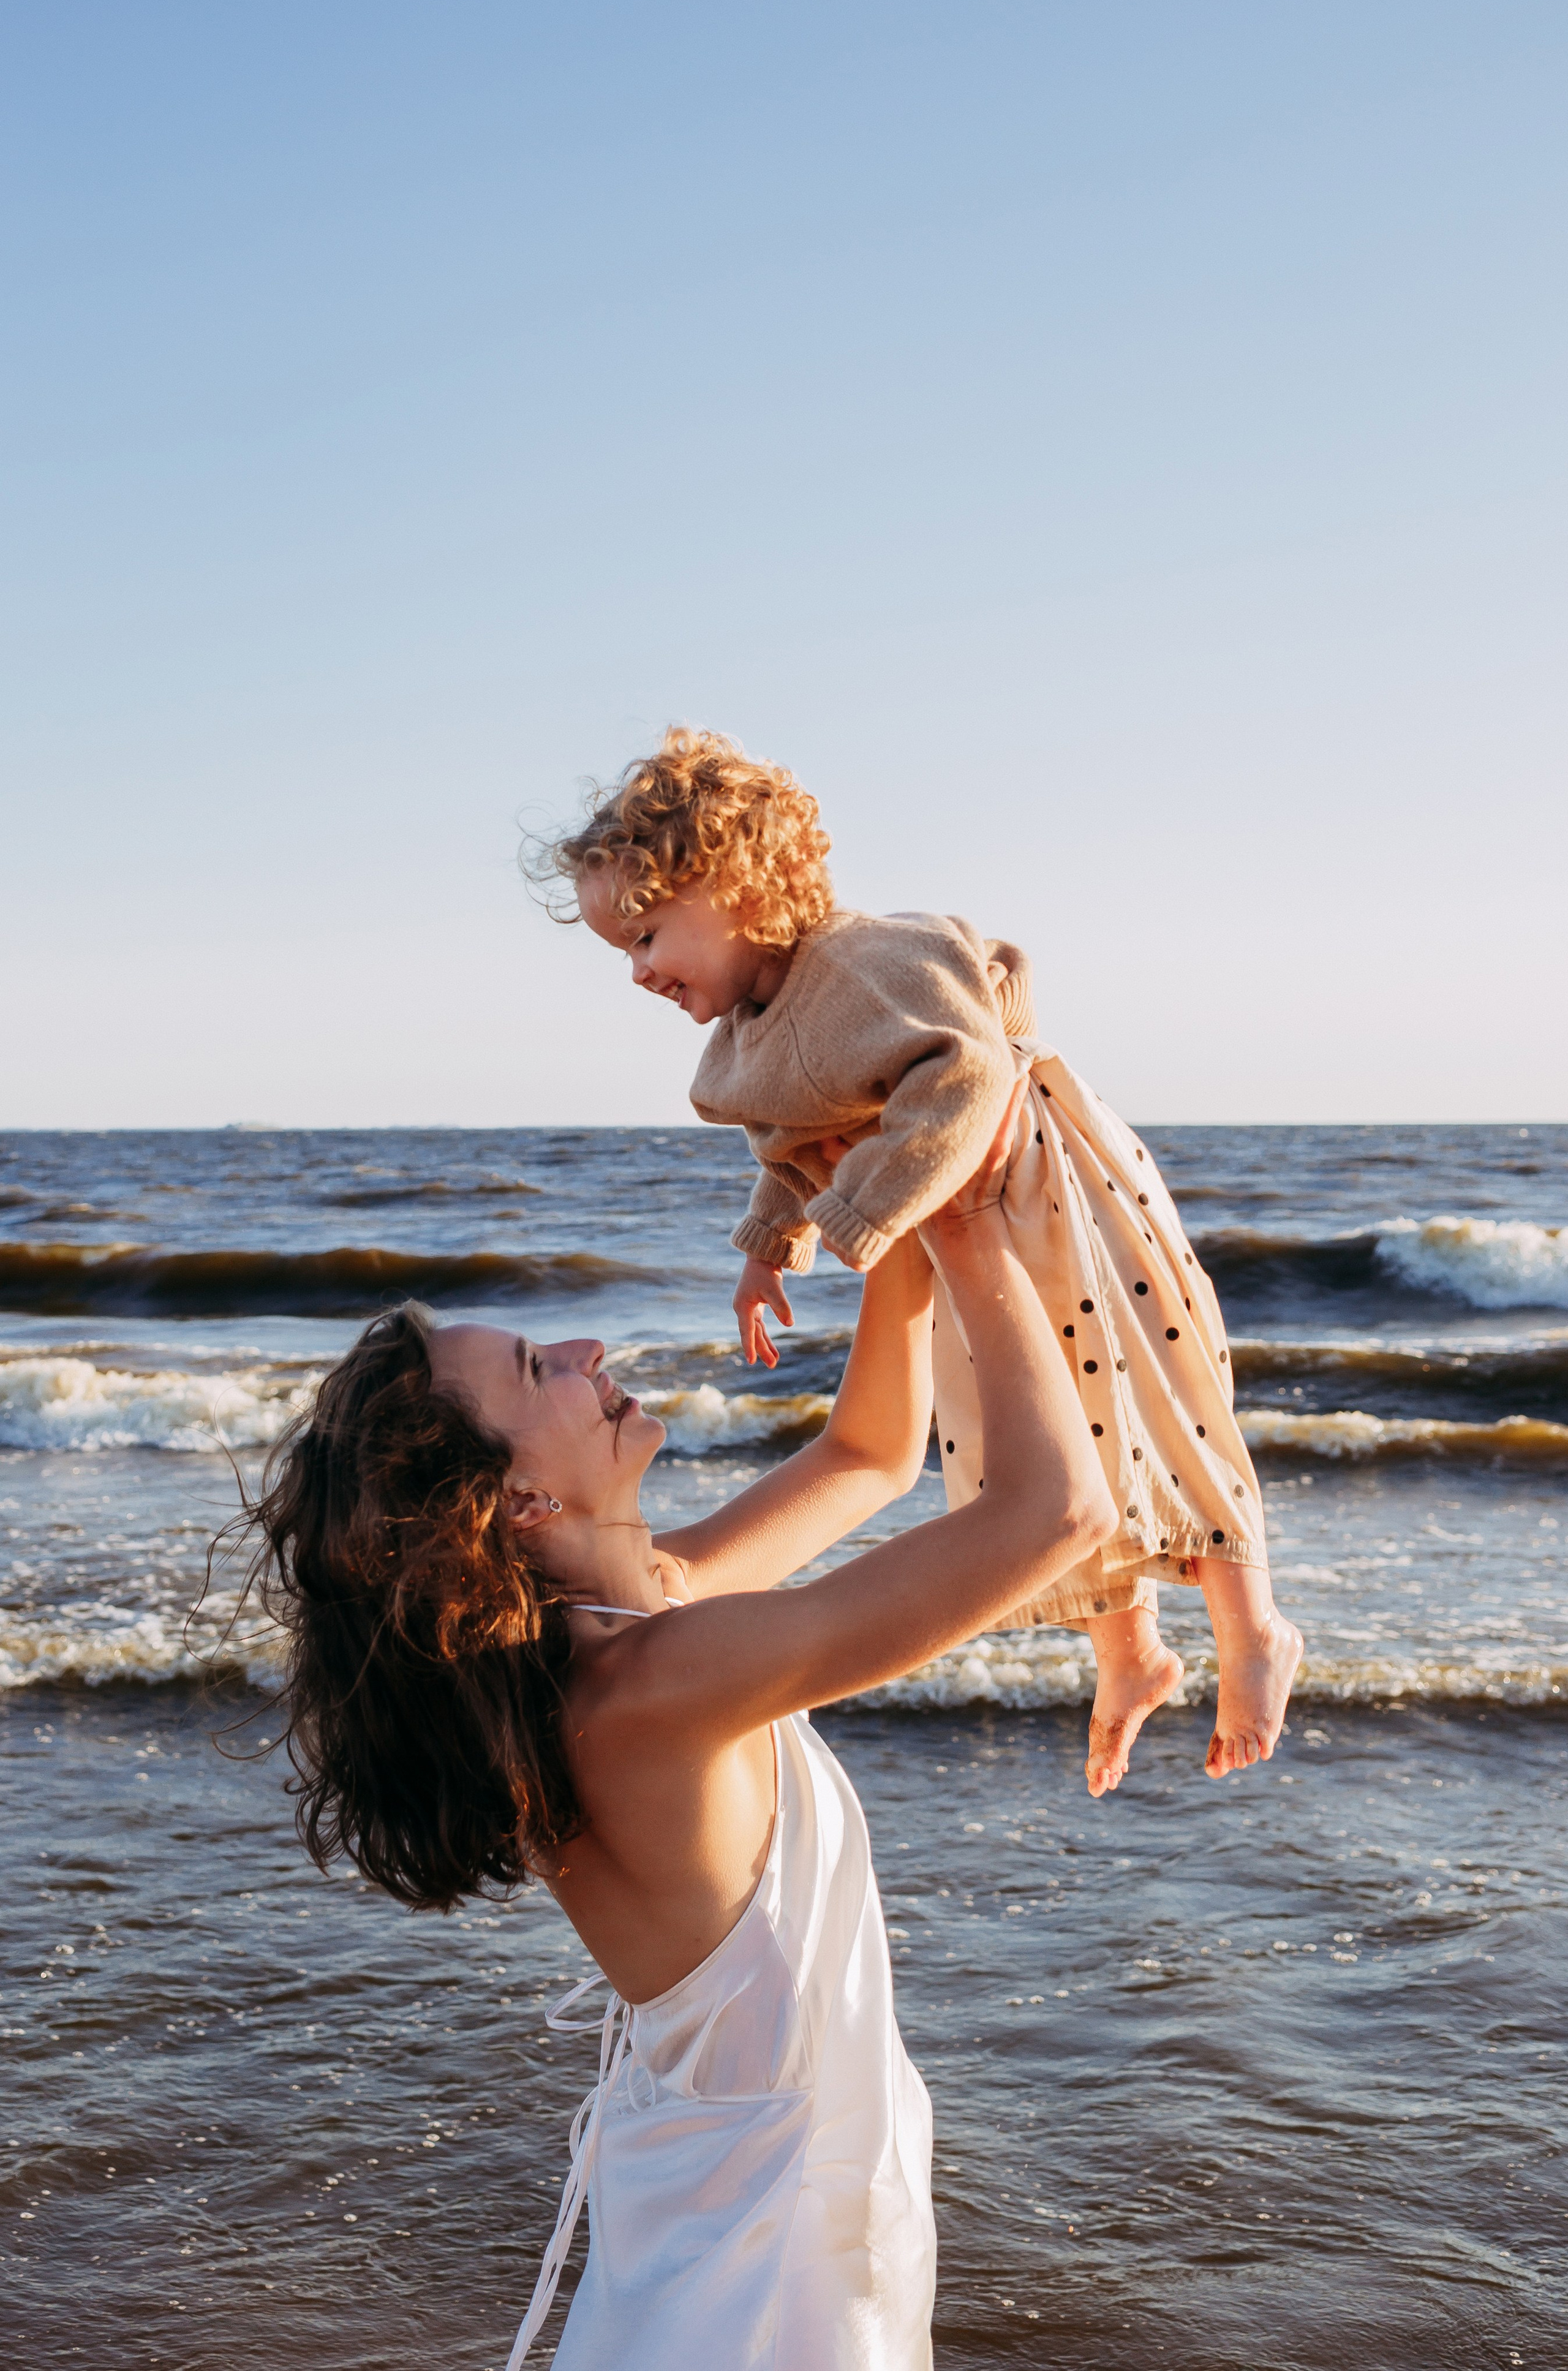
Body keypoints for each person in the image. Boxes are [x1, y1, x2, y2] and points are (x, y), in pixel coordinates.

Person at [228, 1088, 1114, 2370]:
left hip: (748, 2184)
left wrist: (896, 1198)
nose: (587, 1347)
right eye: (539, 1369)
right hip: (763, 2255)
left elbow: (868, 1454)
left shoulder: (647, 1624)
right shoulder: (649, 1689)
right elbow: (1053, 1518)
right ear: (518, 1500)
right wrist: (971, 1216)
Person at [546, 725, 1304, 1796]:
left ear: (739, 890)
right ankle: (1128, 1651)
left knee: (1151, 1397)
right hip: (958, 1218)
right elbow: (800, 1141)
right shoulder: (755, 1034)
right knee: (1015, 1439)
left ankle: (1253, 1624)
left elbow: (967, 1077)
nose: (637, 975)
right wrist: (774, 1247)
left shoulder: (865, 963)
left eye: (648, 936)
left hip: (1049, 1190)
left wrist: (862, 1221)